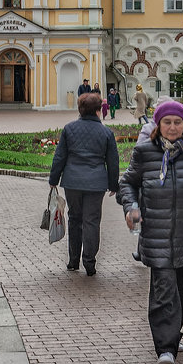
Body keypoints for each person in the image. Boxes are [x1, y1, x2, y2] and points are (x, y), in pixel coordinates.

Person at [117, 99, 183, 364]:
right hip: (156, 235)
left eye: (177, 122)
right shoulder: (144, 152)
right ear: (158, 124)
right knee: (164, 293)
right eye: (167, 122)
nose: (172, 128)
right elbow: (126, 183)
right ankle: (165, 348)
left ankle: (174, 333)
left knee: (182, 296)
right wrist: (132, 206)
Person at [48, 93, 120, 276]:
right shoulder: (106, 133)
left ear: (80, 109)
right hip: (96, 183)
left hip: (72, 181)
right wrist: (113, 184)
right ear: (98, 110)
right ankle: (89, 262)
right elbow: (113, 161)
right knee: (92, 221)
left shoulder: (69, 129)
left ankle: (73, 260)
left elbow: (60, 157)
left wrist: (53, 180)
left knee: (75, 219)